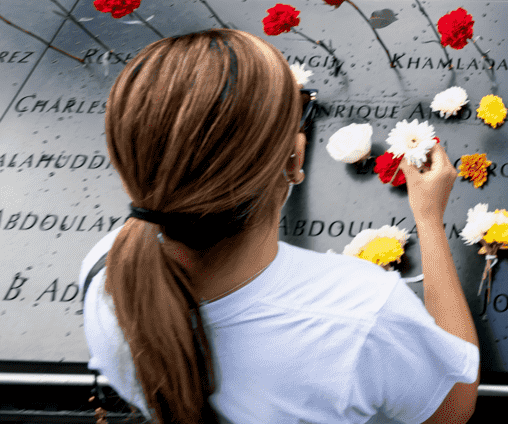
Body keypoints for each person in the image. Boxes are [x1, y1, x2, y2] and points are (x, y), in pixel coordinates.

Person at [78, 29, 480, 424]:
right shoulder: (363, 311)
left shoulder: (105, 269)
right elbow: (452, 409)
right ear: (293, 160)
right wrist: (428, 219)